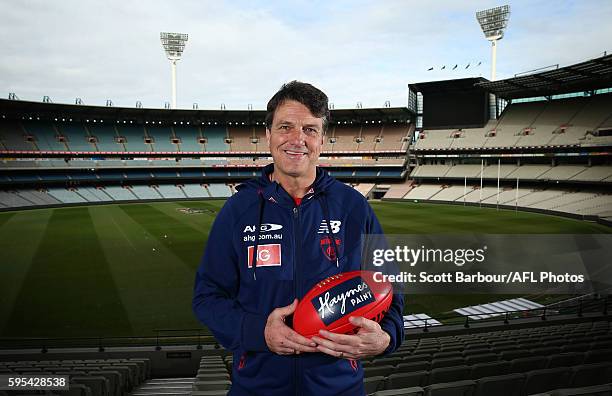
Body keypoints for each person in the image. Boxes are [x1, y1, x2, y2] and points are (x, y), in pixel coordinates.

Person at [193, 81, 404, 395]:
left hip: (339, 388)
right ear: (268, 135)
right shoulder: (238, 210)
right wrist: (258, 332)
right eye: (285, 127)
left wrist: (386, 337)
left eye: (310, 129)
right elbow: (207, 297)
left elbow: (390, 285)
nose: (297, 139)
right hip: (256, 388)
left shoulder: (352, 208)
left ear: (322, 139)